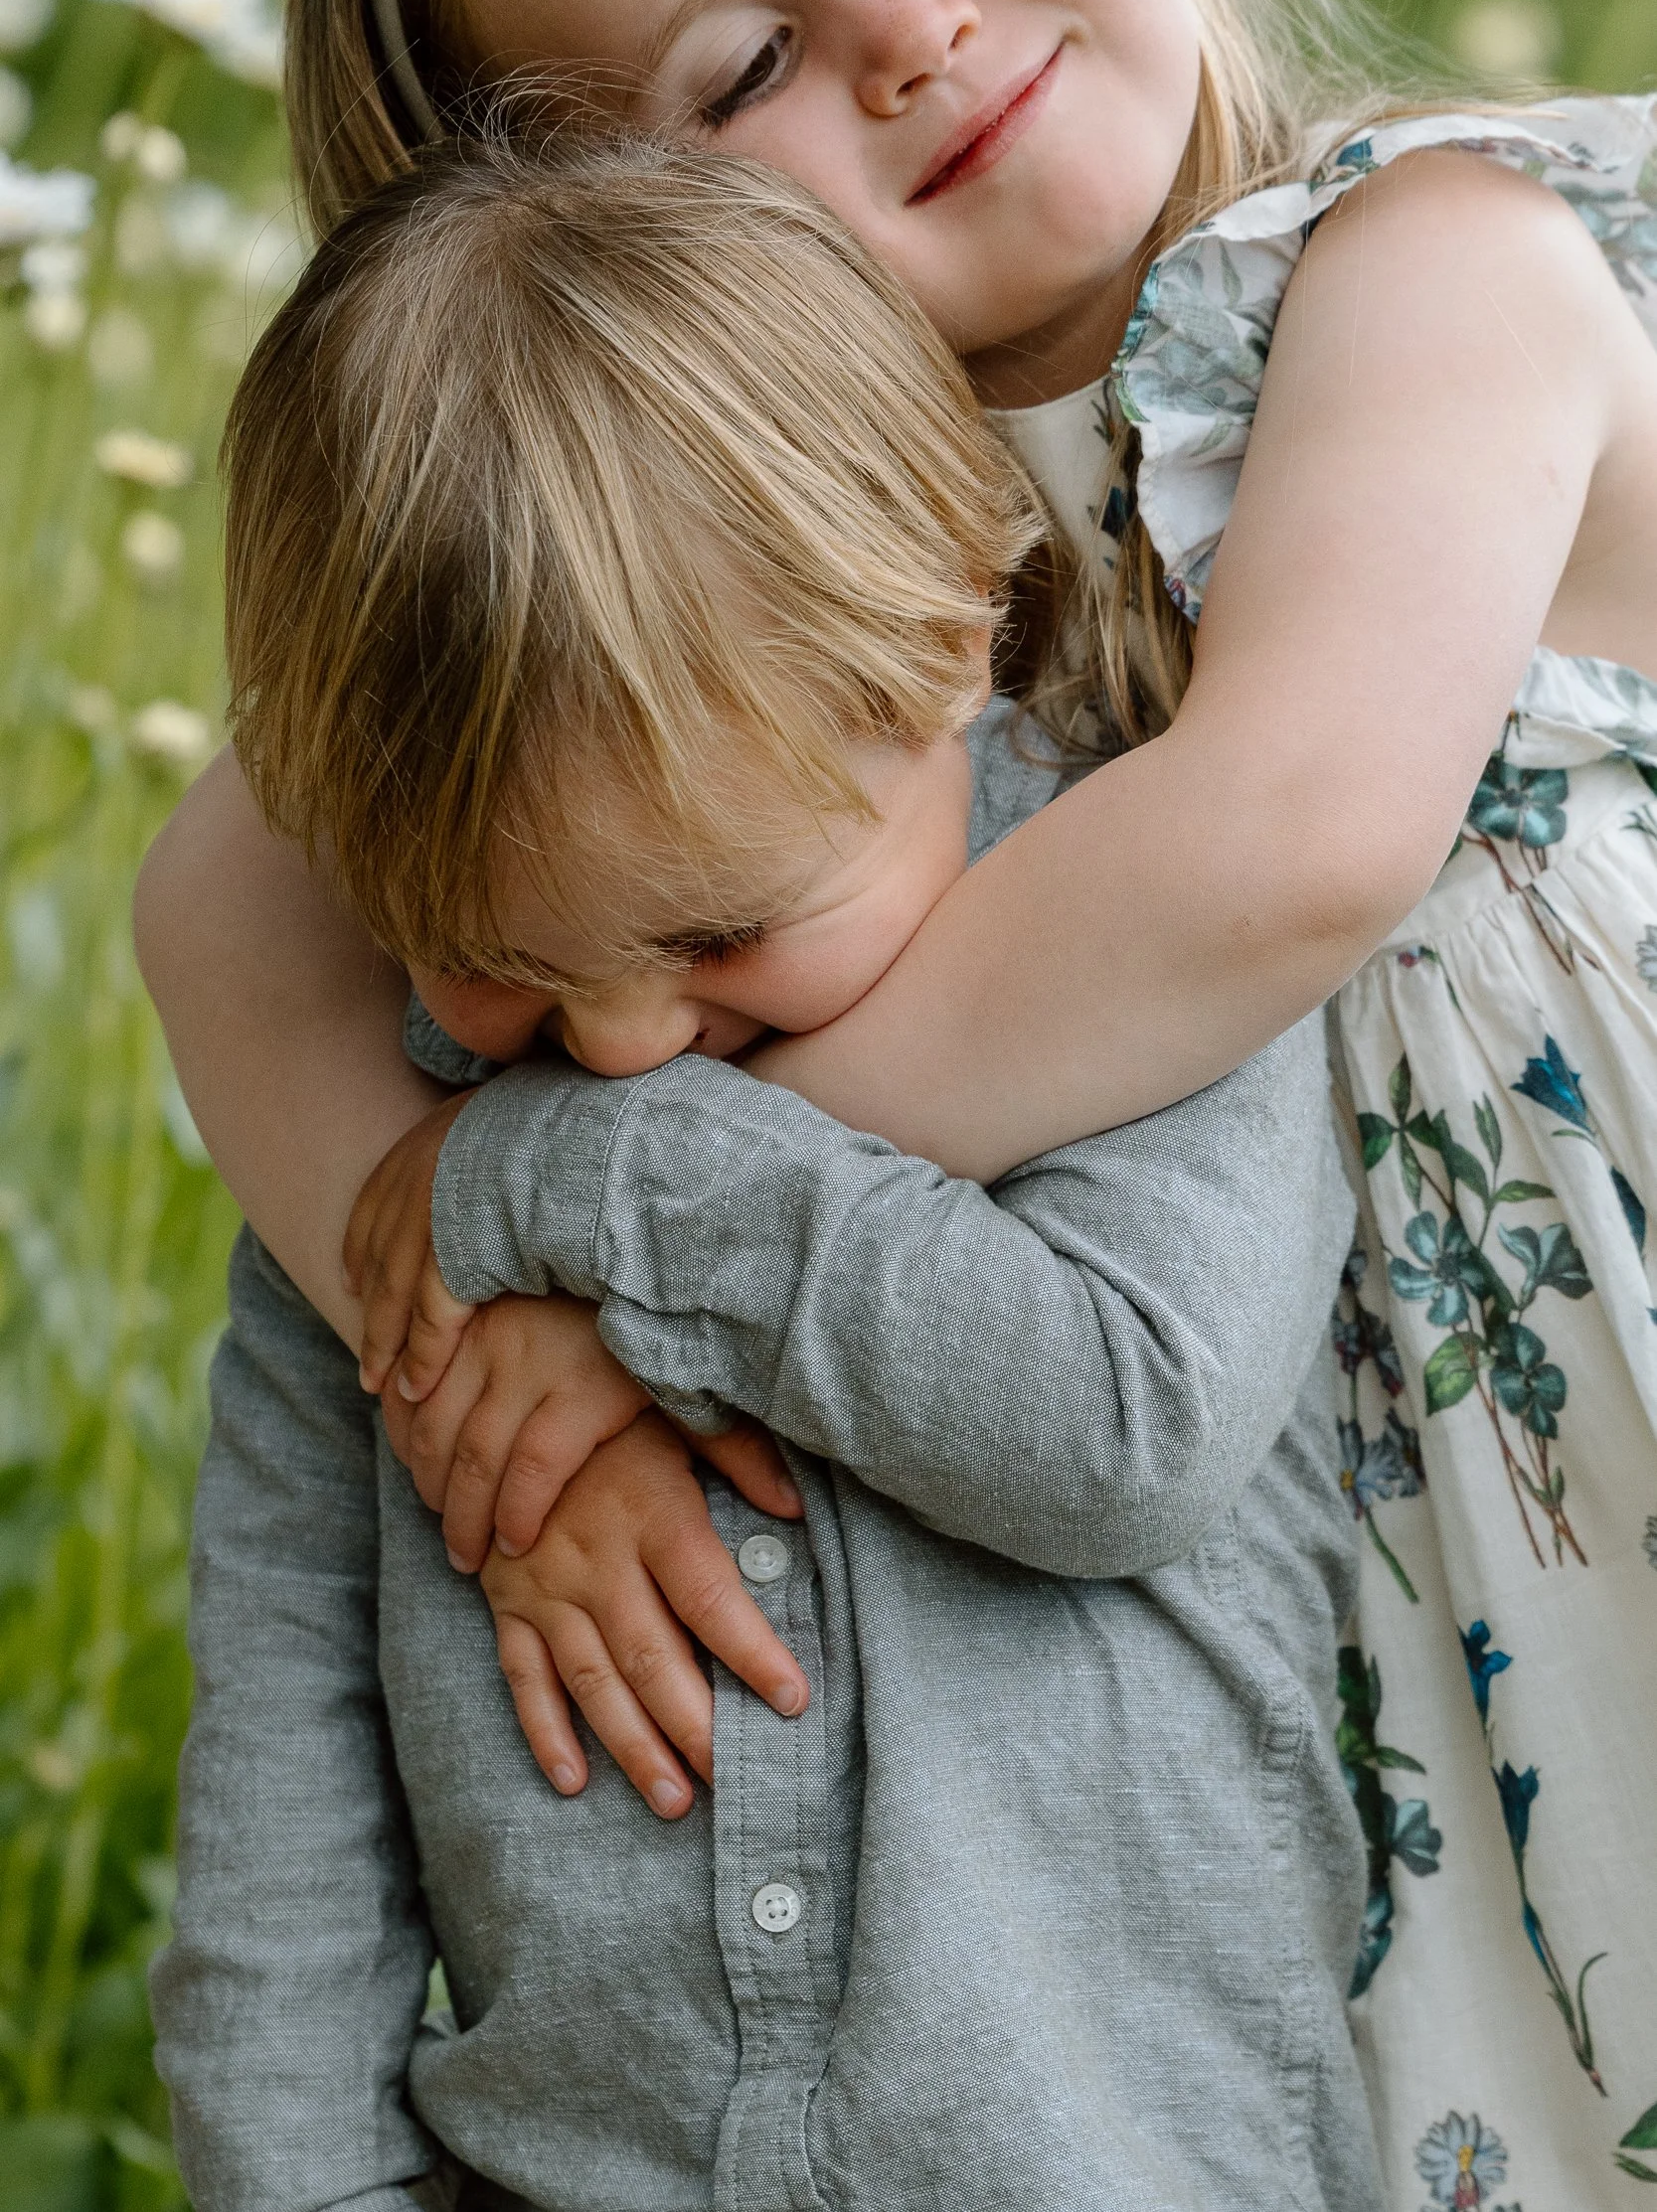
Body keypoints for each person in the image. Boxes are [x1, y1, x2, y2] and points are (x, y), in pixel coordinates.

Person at [132, 0, 1657, 2200]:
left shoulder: (1423, 269)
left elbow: (1274, 851)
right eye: (736, 67)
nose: (904, 29)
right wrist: (485, 1391)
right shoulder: (742, 591)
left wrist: (566, 1229)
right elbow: (221, 902)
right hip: (1296, 1654)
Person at [150, 128, 1377, 2212]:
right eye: (505, 955)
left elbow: (1113, 1434)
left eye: (719, 931)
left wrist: (576, 1171)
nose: (624, 1040)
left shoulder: (1134, 953)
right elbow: (284, 1765)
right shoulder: (401, 1138)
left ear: (952, 642)